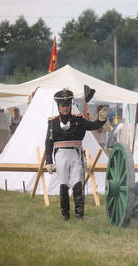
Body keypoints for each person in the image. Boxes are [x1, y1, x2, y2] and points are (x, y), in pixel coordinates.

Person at [45, 89, 109, 221]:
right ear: (58, 107)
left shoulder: (78, 120)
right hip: (60, 155)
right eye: (62, 106)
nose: (65, 108)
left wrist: (101, 118)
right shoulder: (52, 122)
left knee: (77, 183)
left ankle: (79, 214)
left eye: (67, 105)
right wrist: (48, 161)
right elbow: (49, 142)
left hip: (75, 153)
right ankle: (65, 214)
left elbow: (93, 125)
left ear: (70, 106)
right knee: (63, 183)